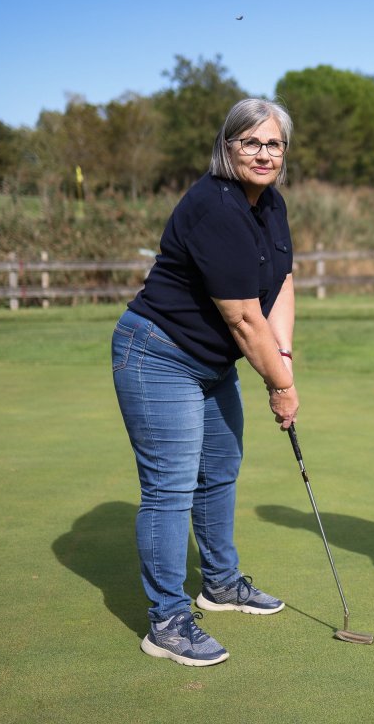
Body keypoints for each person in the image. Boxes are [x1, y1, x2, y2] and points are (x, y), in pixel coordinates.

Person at [111, 98, 299, 667]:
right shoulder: (215, 206)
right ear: (228, 147)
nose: (264, 154)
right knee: (169, 487)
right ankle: (166, 621)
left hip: (212, 363)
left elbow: (283, 280)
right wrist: (280, 386)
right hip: (158, 354)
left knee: (218, 469)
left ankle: (219, 584)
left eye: (274, 144)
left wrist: (283, 358)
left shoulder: (270, 204)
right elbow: (244, 319)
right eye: (251, 142)